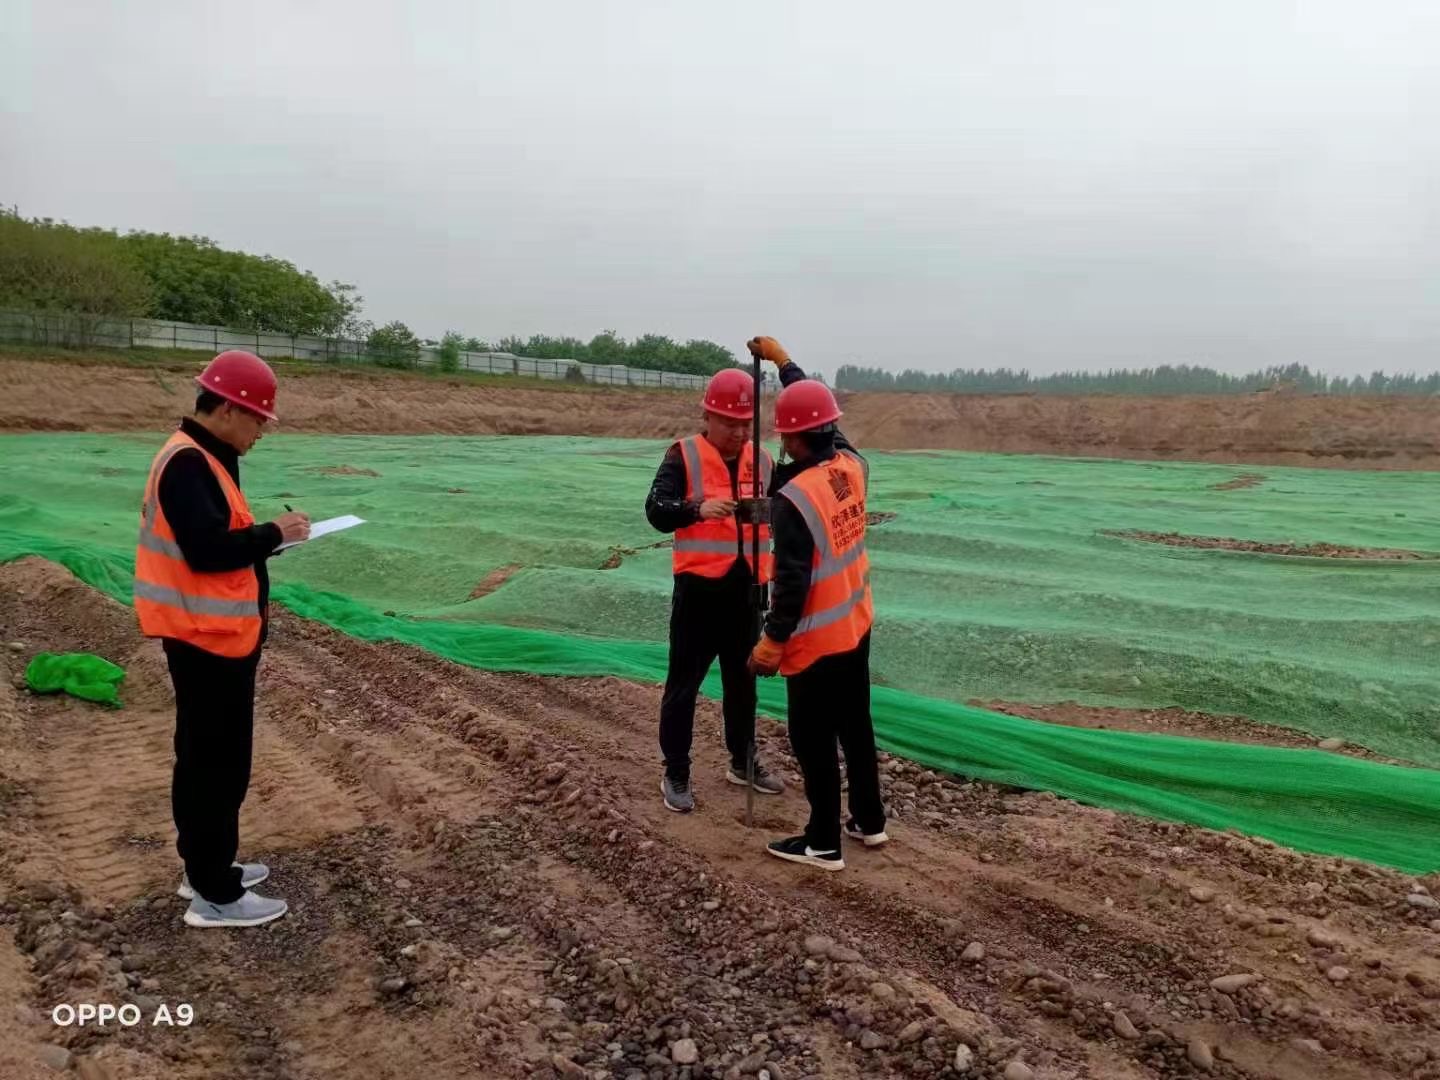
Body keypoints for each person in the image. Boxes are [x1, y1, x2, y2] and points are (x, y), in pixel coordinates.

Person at [134, 350, 310, 927]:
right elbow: (208, 550)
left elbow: (219, 539)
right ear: (231, 409)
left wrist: (268, 541)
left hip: (213, 635)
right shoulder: (189, 463)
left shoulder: (208, 455)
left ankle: (205, 867)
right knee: (216, 763)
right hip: (205, 639)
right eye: (260, 419)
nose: (262, 431)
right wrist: (273, 532)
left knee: (210, 758)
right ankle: (216, 893)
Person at [746, 340, 885, 871]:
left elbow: (791, 584)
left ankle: (823, 840)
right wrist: (786, 366)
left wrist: (770, 644)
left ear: (795, 437)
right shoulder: (851, 466)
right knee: (856, 724)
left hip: (816, 640)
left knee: (812, 738)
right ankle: (869, 822)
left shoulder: (795, 500)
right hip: (856, 623)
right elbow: (817, 409)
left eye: (785, 434)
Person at [645, 367, 787, 812]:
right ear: (708, 416)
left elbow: (787, 508)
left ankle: (743, 760)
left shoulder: (763, 461)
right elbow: (656, 510)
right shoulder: (682, 456)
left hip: (747, 593)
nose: (739, 431)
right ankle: (676, 770)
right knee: (683, 685)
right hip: (699, 594)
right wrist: (696, 508)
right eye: (730, 422)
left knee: (742, 684)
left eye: (746, 423)